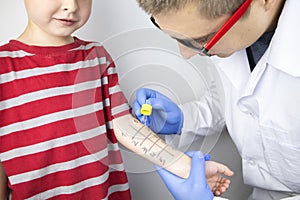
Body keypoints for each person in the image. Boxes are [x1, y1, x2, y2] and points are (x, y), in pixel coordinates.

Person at [0, 0, 234, 199]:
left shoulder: (96, 57)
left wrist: (185, 166)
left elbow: (124, 125)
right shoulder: (3, 67)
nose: (71, 6)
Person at [133, 0, 300, 199]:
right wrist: (185, 119)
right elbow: (236, 99)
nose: (185, 54)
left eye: (203, 38)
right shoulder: (232, 30)